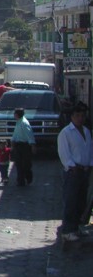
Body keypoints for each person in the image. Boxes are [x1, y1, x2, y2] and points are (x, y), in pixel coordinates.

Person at [56, 103, 93, 242]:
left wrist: (90, 165)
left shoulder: (86, 131)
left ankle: (76, 228)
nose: (80, 118)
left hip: (85, 170)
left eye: (82, 116)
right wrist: (72, 166)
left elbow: (89, 150)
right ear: (72, 117)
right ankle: (67, 230)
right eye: (77, 116)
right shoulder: (66, 133)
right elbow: (64, 153)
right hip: (73, 172)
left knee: (81, 202)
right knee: (70, 201)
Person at [10, 108, 35, 187]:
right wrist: (12, 143)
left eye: (15, 113)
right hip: (18, 145)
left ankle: (28, 177)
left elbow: (30, 135)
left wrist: (33, 146)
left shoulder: (24, 123)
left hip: (25, 146)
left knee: (26, 164)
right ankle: (20, 181)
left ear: (17, 114)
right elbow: (15, 134)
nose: (14, 115)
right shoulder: (18, 122)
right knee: (18, 164)